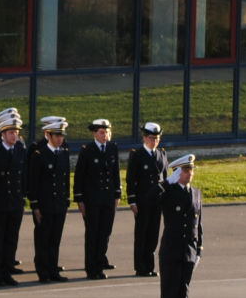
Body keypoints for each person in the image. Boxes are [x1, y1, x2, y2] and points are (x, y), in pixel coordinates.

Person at [158, 155, 204, 298]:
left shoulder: (196, 193)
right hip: (171, 251)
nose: (189, 174)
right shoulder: (168, 192)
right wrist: (166, 182)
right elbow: (149, 197)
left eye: (191, 170)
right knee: (170, 295)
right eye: (185, 170)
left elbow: (197, 224)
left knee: (183, 296)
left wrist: (199, 249)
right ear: (177, 172)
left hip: (188, 252)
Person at [0, 108, 29, 286]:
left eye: (16, 132)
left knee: (12, 238)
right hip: (0, 202)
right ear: (3, 133)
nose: (14, 136)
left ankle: (8, 270)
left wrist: (23, 197)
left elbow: (23, 175)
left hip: (15, 201)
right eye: (11, 132)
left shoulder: (19, 149)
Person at [27, 117, 73, 282]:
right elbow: (33, 182)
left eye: (61, 136)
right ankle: (43, 271)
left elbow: (66, 179)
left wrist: (66, 199)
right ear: (48, 135)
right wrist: (35, 206)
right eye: (56, 135)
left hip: (59, 204)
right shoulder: (39, 155)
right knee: (43, 240)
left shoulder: (63, 153)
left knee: (55, 239)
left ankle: (53, 270)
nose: (60, 139)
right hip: (44, 205)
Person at [74, 119, 121, 280]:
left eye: (107, 132)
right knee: (92, 234)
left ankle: (100, 263)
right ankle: (91, 268)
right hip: (92, 200)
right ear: (94, 133)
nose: (105, 135)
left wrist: (117, 194)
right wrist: (79, 199)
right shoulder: (87, 150)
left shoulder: (112, 148)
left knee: (105, 233)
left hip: (108, 198)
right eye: (101, 132)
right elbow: (79, 175)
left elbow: (115, 172)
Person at [126, 123, 169, 278]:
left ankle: (149, 266)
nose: (154, 141)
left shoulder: (161, 154)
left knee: (153, 235)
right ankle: (140, 266)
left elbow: (165, 179)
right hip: (142, 201)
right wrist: (132, 201)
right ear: (144, 137)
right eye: (151, 138)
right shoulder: (137, 155)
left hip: (157, 202)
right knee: (142, 234)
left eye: (157, 138)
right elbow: (131, 180)